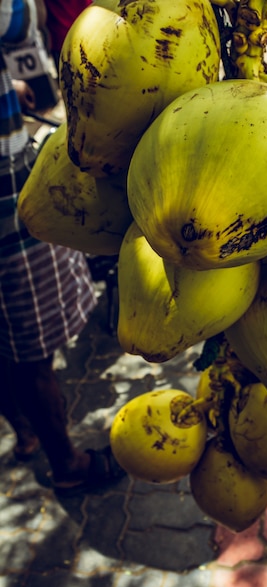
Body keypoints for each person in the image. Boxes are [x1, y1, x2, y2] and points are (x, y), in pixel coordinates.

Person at [0, 0, 125, 496]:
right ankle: (66, 463)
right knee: (30, 348)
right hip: (3, 186)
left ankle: (27, 434)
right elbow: (16, 25)